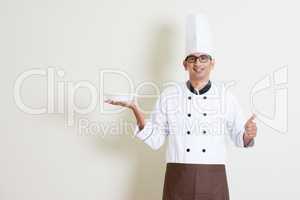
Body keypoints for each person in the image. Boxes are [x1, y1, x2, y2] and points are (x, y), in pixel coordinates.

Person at [105, 13, 257, 200]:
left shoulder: (226, 97)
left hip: (214, 177)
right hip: (178, 175)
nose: (198, 63)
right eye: (192, 58)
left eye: (203, 58)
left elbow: (239, 137)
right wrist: (135, 108)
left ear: (212, 63)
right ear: (184, 64)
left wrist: (248, 134)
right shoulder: (170, 95)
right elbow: (156, 139)